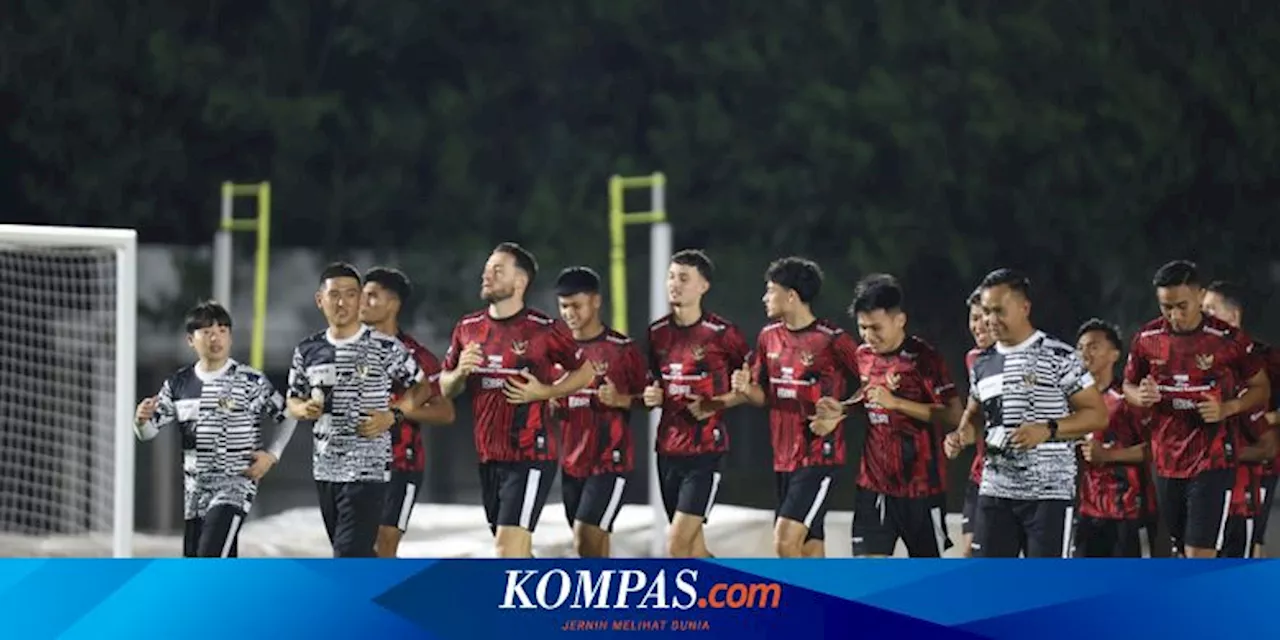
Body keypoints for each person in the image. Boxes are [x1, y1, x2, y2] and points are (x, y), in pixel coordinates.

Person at [439, 243, 594, 558]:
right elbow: (445, 388)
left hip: (530, 454)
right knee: (517, 554)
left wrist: (545, 392)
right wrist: (458, 373)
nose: (487, 275)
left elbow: (586, 371)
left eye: (498, 270)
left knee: (506, 552)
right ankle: (552, 606)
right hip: (489, 456)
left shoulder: (543, 329)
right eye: (487, 269)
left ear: (520, 282)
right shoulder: (468, 328)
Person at [1123, 260, 1270, 558]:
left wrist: (1228, 408)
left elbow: (1261, 388)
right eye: (1166, 307)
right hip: (1165, 461)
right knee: (1180, 550)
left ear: (1200, 296)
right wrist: (1141, 395)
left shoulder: (1228, 340)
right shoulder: (1147, 339)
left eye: (1182, 306)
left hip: (1212, 460)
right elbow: (1128, 386)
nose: (1174, 315)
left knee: (1198, 553)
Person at [286, 262, 431, 558]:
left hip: (368, 471)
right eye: (334, 294)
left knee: (346, 558)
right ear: (320, 300)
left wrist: (393, 415)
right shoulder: (307, 350)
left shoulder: (385, 347)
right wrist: (303, 409)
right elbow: (292, 398)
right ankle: (386, 597)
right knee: (360, 556)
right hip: (325, 468)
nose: (342, 302)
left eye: (351, 294)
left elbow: (422, 388)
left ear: (359, 300)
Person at [960, 268, 1107, 557]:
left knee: (1044, 589)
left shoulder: (1060, 356)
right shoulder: (982, 363)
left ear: (1024, 307)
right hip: (995, 491)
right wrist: (961, 433)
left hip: (1048, 496)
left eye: (999, 311)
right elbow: (975, 414)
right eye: (986, 311)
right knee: (989, 589)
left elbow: (1098, 415)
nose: (990, 320)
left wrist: (1048, 429)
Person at [134, 301, 296, 557]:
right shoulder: (178, 384)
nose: (216, 337)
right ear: (191, 339)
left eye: (222, 330)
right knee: (208, 565)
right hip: (195, 495)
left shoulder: (250, 381)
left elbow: (289, 415)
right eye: (207, 331)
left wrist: (272, 455)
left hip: (234, 487)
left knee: (210, 560)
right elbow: (148, 432)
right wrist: (140, 420)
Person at [730, 257, 859, 558]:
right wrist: (747, 389)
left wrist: (842, 410)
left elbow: (872, 380)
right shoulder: (768, 337)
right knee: (810, 548)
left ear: (791, 296)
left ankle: (795, 605)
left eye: (770, 290)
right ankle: (830, 603)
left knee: (784, 542)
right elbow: (766, 397)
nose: (764, 297)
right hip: (783, 458)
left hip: (819, 457)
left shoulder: (832, 340)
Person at [840, 274, 963, 557]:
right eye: (862, 327)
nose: (869, 336)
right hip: (873, 486)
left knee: (925, 581)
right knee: (867, 575)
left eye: (876, 327)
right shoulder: (862, 355)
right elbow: (870, 398)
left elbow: (954, 416)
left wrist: (897, 403)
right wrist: (842, 409)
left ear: (900, 320)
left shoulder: (925, 359)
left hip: (921, 489)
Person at [644, 249, 750, 558]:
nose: (674, 284)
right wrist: (650, 395)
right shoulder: (657, 333)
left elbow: (751, 386)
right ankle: (732, 601)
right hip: (667, 450)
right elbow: (652, 382)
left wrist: (714, 404)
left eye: (684, 278)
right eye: (671, 277)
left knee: (676, 544)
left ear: (703, 286)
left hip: (706, 452)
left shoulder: (722, 334)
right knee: (693, 549)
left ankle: (683, 607)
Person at [359, 267, 456, 558]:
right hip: (353, 464)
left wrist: (398, 412)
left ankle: (381, 600)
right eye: (361, 296)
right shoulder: (345, 350)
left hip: (402, 462)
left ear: (393, 304)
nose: (362, 303)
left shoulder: (417, 356)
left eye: (372, 296)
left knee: (384, 543)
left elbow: (446, 411)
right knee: (354, 546)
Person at [550, 266, 647, 557]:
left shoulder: (621, 349)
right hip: (571, 463)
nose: (569, 314)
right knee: (594, 546)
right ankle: (611, 600)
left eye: (576, 305)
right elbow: (547, 400)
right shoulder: (555, 352)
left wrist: (621, 399)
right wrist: (550, 403)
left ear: (595, 301)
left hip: (610, 462)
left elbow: (652, 396)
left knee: (585, 537)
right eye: (564, 307)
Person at [1202, 280, 1279, 558]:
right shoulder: (1198, 361)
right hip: (1204, 479)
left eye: (1210, 309)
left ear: (1233, 317)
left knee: (1249, 544)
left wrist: (1267, 417)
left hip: (1257, 471)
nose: (1203, 317)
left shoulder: (1265, 358)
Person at [1072, 319, 1154, 557]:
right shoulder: (1072, 400)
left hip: (1126, 512)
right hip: (1087, 511)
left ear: (1114, 354)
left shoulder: (1127, 399)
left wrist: (1108, 455)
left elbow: (1154, 450)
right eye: (1080, 348)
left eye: (1093, 346)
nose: (1085, 353)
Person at [944, 288, 995, 557]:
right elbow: (976, 416)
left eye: (982, 318)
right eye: (973, 318)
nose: (977, 326)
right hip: (981, 474)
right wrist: (959, 437)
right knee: (968, 554)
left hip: (1014, 483)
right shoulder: (974, 358)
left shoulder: (1024, 359)